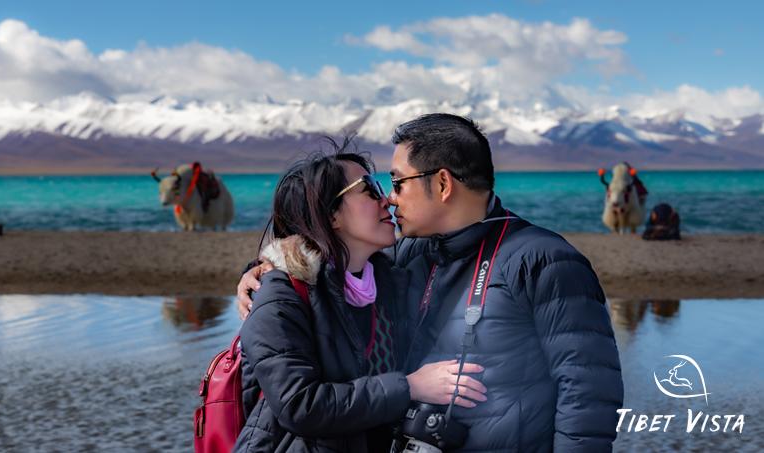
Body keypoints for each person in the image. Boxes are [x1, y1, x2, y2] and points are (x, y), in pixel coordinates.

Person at [238, 114, 624, 452]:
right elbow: (329, 265)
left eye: (396, 182)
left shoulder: (543, 260)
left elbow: (589, 397)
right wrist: (262, 271)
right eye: (377, 187)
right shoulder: (410, 255)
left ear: (442, 184)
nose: (389, 199)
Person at [234, 141, 487, 453]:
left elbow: (463, 240)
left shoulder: (388, 281)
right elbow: (300, 405)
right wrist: (411, 386)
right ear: (331, 215)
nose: (388, 201)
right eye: (368, 188)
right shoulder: (280, 295)